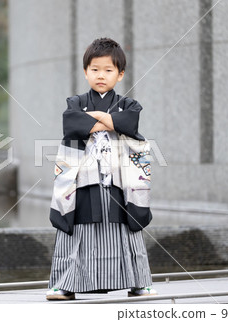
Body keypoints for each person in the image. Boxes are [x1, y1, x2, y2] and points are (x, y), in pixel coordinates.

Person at [46, 38, 157, 301]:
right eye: (95, 69)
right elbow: (72, 125)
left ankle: (138, 282)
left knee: (126, 226)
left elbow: (128, 123)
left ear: (120, 75)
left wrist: (93, 120)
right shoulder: (75, 102)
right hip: (82, 181)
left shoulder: (129, 105)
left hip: (119, 180)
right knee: (77, 226)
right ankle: (65, 284)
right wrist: (112, 122)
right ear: (85, 72)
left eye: (108, 70)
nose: (101, 75)